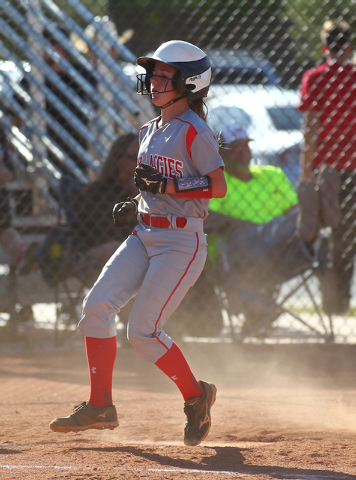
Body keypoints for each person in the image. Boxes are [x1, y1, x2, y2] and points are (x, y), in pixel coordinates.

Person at [49, 40, 227, 447]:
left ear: (190, 83)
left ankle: (197, 397)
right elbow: (156, 184)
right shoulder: (150, 130)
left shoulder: (195, 131)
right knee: (95, 308)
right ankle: (100, 406)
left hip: (181, 242)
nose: (154, 82)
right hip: (145, 234)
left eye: (165, 75)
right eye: (153, 74)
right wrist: (137, 201)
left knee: (142, 332)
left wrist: (167, 184)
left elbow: (217, 186)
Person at [204, 123, 338, 335]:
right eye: (234, 148)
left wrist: (283, 225)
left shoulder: (272, 174)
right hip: (242, 251)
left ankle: (319, 217)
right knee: (286, 224)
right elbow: (208, 217)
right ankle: (321, 215)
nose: (242, 152)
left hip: (283, 251)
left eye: (245, 146)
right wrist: (254, 227)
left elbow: (297, 211)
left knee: (299, 220)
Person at [299, 19, 356, 314]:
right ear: (349, 47)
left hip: (325, 172)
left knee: (324, 236)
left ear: (324, 47)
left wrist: (305, 170)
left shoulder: (316, 77)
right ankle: (341, 301)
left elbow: (312, 125)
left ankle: (330, 302)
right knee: (346, 239)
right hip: (353, 171)